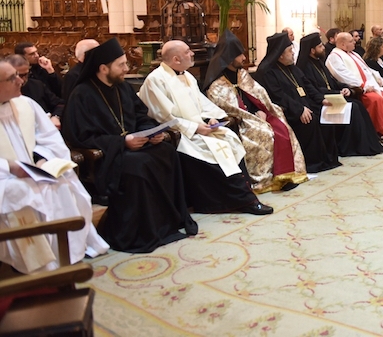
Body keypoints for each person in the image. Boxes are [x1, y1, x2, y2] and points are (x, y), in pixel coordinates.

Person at [63, 38, 197, 253]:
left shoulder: (122, 88)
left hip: (135, 146)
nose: (127, 68)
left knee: (167, 152)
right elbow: (81, 136)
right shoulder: (82, 94)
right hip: (108, 155)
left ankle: (168, 221)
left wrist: (152, 132)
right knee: (139, 164)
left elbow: (141, 116)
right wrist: (122, 142)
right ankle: (141, 231)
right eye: (121, 65)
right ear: (103, 68)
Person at [138, 40, 272, 215]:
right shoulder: (156, 80)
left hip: (200, 128)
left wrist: (211, 118)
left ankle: (245, 195)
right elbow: (164, 117)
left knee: (230, 139)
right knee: (214, 151)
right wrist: (196, 128)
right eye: (188, 51)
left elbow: (202, 104)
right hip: (183, 134)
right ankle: (239, 201)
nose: (192, 54)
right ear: (176, 59)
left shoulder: (187, 76)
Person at [0, 60, 108, 274]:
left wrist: (42, 159)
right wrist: (9, 167)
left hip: (35, 169)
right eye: (12, 78)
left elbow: (49, 138)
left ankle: (68, 253)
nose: (20, 81)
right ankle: (38, 264)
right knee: (20, 193)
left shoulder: (26, 104)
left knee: (62, 181)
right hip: (5, 178)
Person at [203, 30, 308, 192]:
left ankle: (284, 174)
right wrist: (251, 115)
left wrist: (261, 110)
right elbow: (225, 108)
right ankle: (265, 180)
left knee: (281, 125)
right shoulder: (217, 84)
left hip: (256, 115)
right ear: (230, 57)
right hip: (238, 121)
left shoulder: (242, 74)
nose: (244, 58)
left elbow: (257, 95)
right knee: (264, 133)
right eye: (240, 55)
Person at [254, 32, 341, 173]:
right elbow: (278, 96)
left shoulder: (292, 67)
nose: (293, 53)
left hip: (305, 104)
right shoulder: (267, 72)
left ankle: (327, 158)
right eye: (290, 51)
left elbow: (307, 86)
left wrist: (321, 99)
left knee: (326, 115)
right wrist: (299, 109)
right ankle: (312, 162)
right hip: (287, 110)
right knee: (310, 121)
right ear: (280, 55)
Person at [296, 32, 383, 155]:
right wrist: (336, 92)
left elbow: (332, 81)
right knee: (353, 107)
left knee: (358, 104)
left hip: (332, 95)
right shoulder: (305, 67)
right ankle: (352, 147)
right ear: (312, 50)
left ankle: (370, 143)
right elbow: (313, 90)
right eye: (320, 46)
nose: (324, 48)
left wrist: (345, 88)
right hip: (320, 101)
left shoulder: (319, 62)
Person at [326, 32, 383, 139]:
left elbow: (366, 69)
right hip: (356, 89)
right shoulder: (334, 57)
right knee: (376, 99)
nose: (354, 42)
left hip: (368, 86)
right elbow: (343, 76)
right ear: (343, 44)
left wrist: (377, 78)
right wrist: (363, 86)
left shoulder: (353, 54)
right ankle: (376, 130)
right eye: (351, 41)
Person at [7, 55, 64, 130]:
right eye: (19, 76)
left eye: (26, 74)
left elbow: (59, 104)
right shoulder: (4, 92)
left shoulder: (37, 85)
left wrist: (56, 117)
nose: (23, 80)